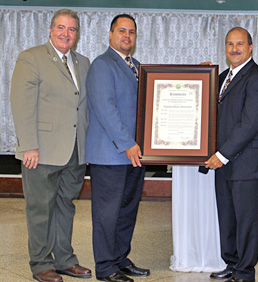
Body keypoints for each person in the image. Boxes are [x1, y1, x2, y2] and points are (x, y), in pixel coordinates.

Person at [9, 8, 92, 282]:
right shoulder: (31, 58)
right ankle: (41, 263)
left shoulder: (83, 62)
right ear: (50, 29)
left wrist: (87, 147)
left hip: (74, 151)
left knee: (65, 207)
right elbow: (22, 105)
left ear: (77, 35)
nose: (66, 34)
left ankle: (65, 260)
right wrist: (29, 145)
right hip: (41, 150)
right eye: (61, 28)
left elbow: (84, 108)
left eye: (71, 29)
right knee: (40, 208)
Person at [85, 14, 150, 282]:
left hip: (135, 155)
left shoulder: (136, 66)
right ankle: (105, 267)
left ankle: (121, 259)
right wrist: (127, 144)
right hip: (111, 154)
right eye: (121, 31)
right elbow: (105, 109)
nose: (127, 36)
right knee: (106, 214)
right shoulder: (102, 65)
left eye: (131, 32)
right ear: (110, 35)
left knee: (126, 211)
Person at [205, 27, 258, 282]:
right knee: (228, 218)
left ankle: (244, 272)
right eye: (230, 44)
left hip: (246, 163)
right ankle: (231, 263)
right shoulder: (221, 77)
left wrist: (221, 155)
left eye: (240, 44)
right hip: (223, 164)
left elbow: (250, 123)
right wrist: (200, 76)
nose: (234, 49)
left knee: (247, 222)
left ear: (251, 47)